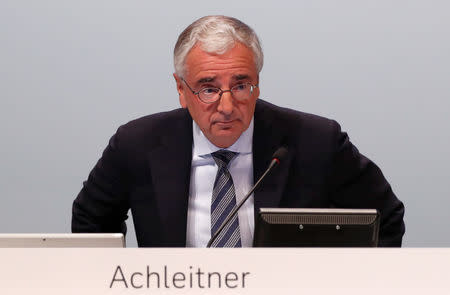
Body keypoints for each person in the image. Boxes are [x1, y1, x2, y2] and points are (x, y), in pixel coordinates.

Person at [72, 15, 405, 247]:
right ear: (181, 89)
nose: (227, 105)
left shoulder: (316, 142)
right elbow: (90, 222)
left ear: (257, 85)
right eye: (208, 88)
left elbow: (384, 218)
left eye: (241, 85)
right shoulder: (137, 145)